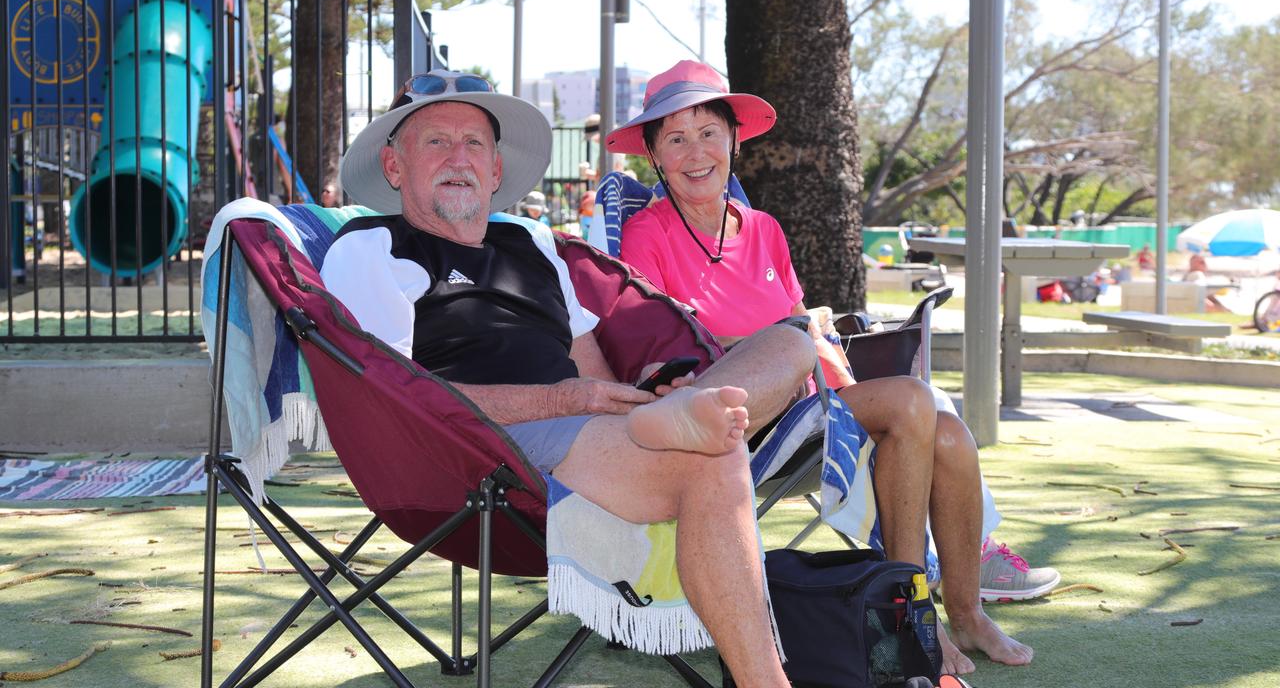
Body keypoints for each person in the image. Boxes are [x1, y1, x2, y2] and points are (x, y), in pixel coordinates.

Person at [322, 69, 819, 687]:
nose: (459, 159)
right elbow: (393, 398)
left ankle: (681, 412)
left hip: (592, 429)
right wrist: (564, 399)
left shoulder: (533, 244)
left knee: (795, 341)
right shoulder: (369, 248)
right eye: (435, 143)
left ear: (497, 171)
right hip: (483, 447)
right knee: (711, 457)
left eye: (475, 144)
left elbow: (592, 369)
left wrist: (630, 403)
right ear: (395, 167)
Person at [608, 60, 1056, 675]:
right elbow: (670, 343)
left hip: (808, 402)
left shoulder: (764, 231)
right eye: (675, 138)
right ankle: (910, 613)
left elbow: (802, 327)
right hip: (731, 416)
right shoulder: (645, 233)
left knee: (946, 429)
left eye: (708, 132)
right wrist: (784, 341)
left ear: (734, 140)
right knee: (913, 401)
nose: (695, 152)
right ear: (654, 155)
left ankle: (966, 612)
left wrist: (833, 372)